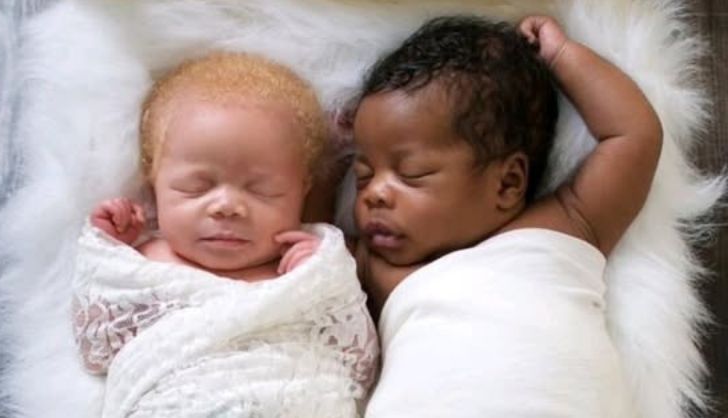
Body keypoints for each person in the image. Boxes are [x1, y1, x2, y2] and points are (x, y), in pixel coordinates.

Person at [353, 15, 659, 416]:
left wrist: (563, 57)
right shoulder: (384, 273)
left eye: (412, 174)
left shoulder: (563, 228)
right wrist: (325, 160)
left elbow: (633, 136)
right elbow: (305, 253)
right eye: (361, 176)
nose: (373, 193)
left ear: (508, 182)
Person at [72, 52, 378, 418]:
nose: (228, 206)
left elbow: (359, 361)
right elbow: (97, 347)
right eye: (197, 187)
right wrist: (106, 245)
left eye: (262, 190)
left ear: (303, 191)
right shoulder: (140, 262)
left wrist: (326, 281)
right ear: (154, 184)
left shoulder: (307, 264)